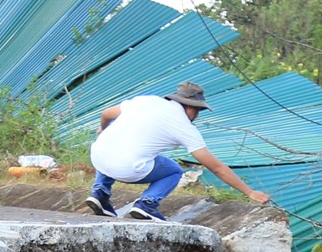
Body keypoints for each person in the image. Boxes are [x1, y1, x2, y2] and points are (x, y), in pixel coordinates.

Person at [84, 81, 271, 221]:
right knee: (174, 170)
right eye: (198, 111)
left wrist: (103, 129)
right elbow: (216, 167)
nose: (197, 116)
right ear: (190, 107)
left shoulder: (146, 101)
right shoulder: (183, 126)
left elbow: (106, 114)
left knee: (114, 144)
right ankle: (147, 204)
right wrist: (249, 192)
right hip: (127, 168)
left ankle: (100, 192)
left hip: (97, 156)